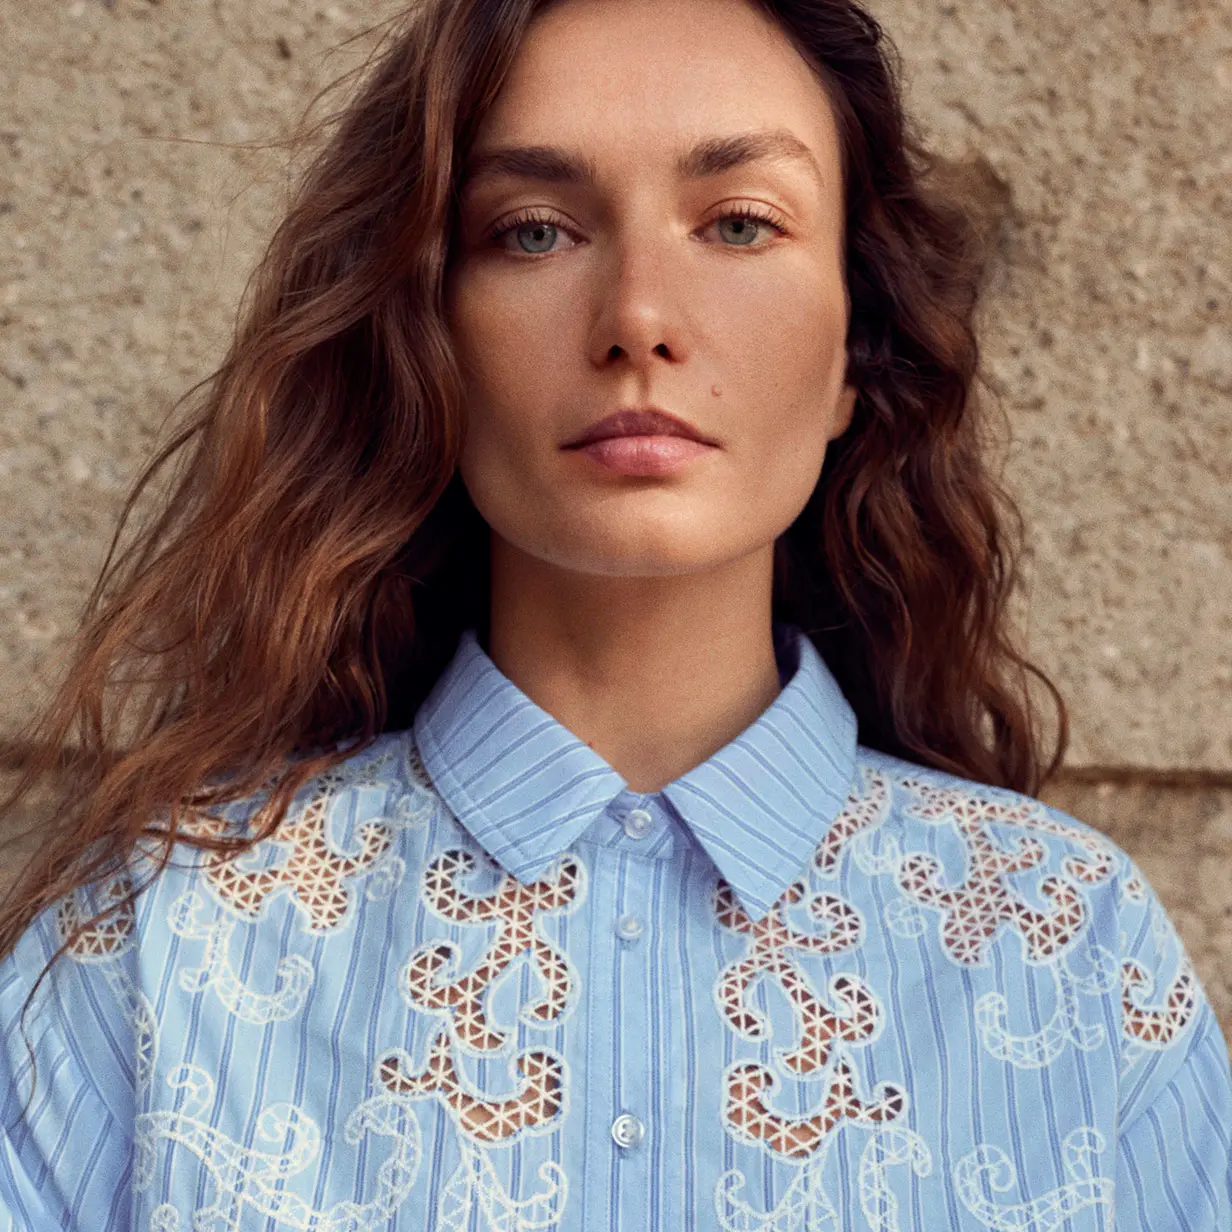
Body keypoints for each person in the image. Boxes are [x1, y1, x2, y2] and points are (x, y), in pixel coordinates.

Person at [1, 0, 1229, 1227]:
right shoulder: (156, 945)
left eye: (739, 223)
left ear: (856, 347)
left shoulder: (1072, 951)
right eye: (533, 231)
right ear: (425, 329)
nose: (639, 314)